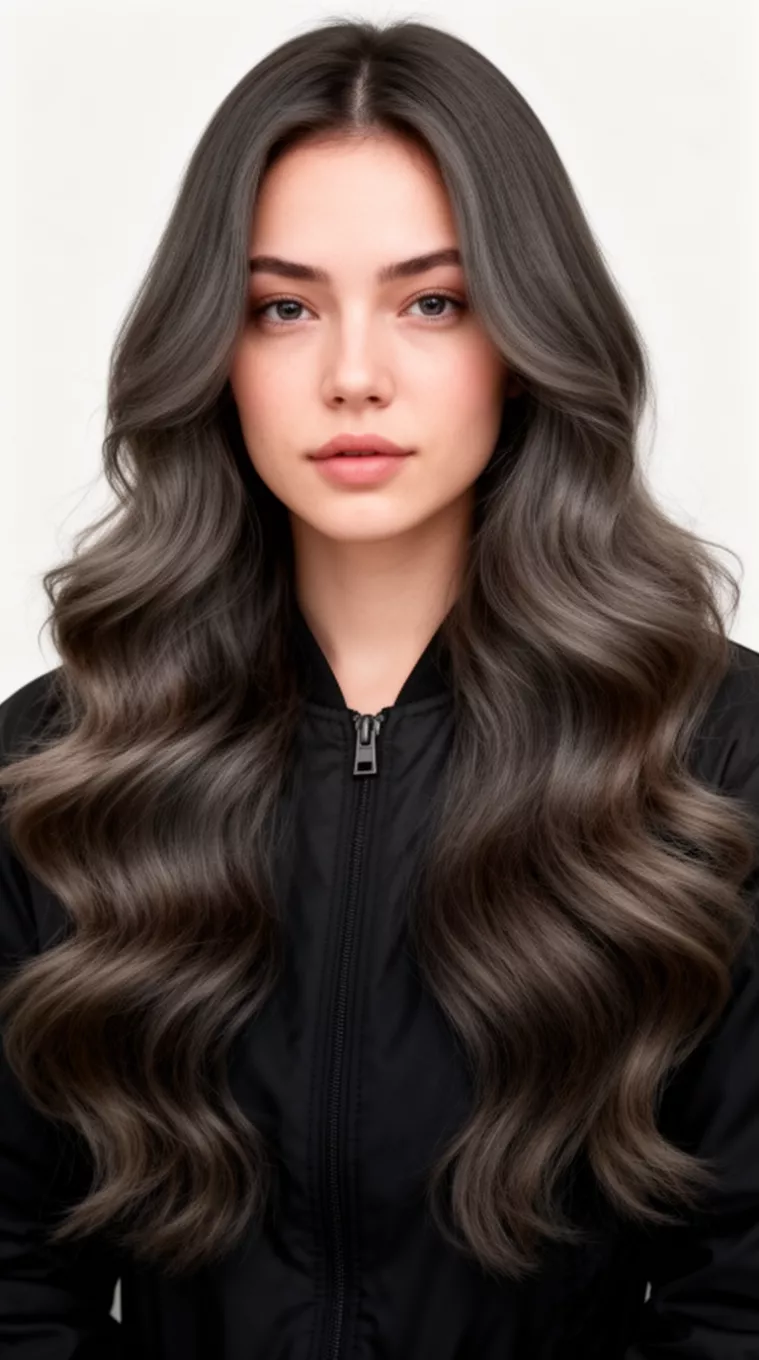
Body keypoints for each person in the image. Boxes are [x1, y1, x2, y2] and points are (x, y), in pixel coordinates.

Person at [1, 15, 757, 1359]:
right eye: (282, 308)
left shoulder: (717, 767)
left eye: (431, 302)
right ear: (212, 350)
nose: (353, 376)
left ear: (523, 336)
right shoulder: (55, 773)